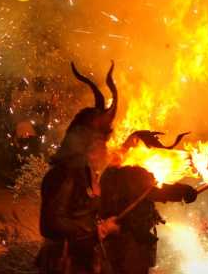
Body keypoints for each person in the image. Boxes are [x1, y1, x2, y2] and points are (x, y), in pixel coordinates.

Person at [36, 62, 119, 274]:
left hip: (84, 260)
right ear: (87, 141)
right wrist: (97, 231)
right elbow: (50, 223)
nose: (106, 146)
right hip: (65, 264)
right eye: (102, 140)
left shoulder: (86, 170)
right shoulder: (64, 175)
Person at [99, 131, 197, 274]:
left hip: (113, 241)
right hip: (129, 241)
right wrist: (185, 192)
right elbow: (156, 190)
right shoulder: (131, 171)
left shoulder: (110, 170)